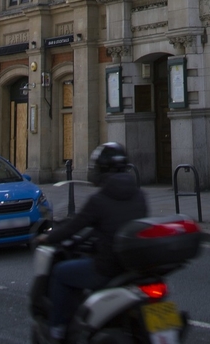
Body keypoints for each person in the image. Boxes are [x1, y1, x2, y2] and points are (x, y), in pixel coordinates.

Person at [42, 142, 148, 342]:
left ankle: (57, 329)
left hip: (107, 268)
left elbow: (73, 227)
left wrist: (47, 237)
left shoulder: (100, 199)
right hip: (134, 268)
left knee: (60, 273)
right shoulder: (140, 195)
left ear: (100, 170)